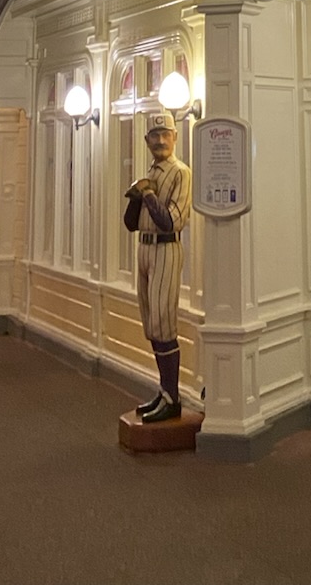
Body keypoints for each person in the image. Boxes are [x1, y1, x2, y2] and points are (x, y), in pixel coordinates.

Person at [122, 109, 191, 423]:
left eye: (166, 135)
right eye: (155, 136)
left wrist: (147, 192)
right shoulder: (150, 171)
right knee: (151, 325)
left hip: (166, 248)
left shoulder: (180, 172)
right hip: (145, 250)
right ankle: (164, 390)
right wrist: (136, 195)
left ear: (175, 137)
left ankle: (173, 398)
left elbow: (169, 222)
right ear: (147, 140)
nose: (161, 140)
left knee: (164, 323)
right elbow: (130, 225)